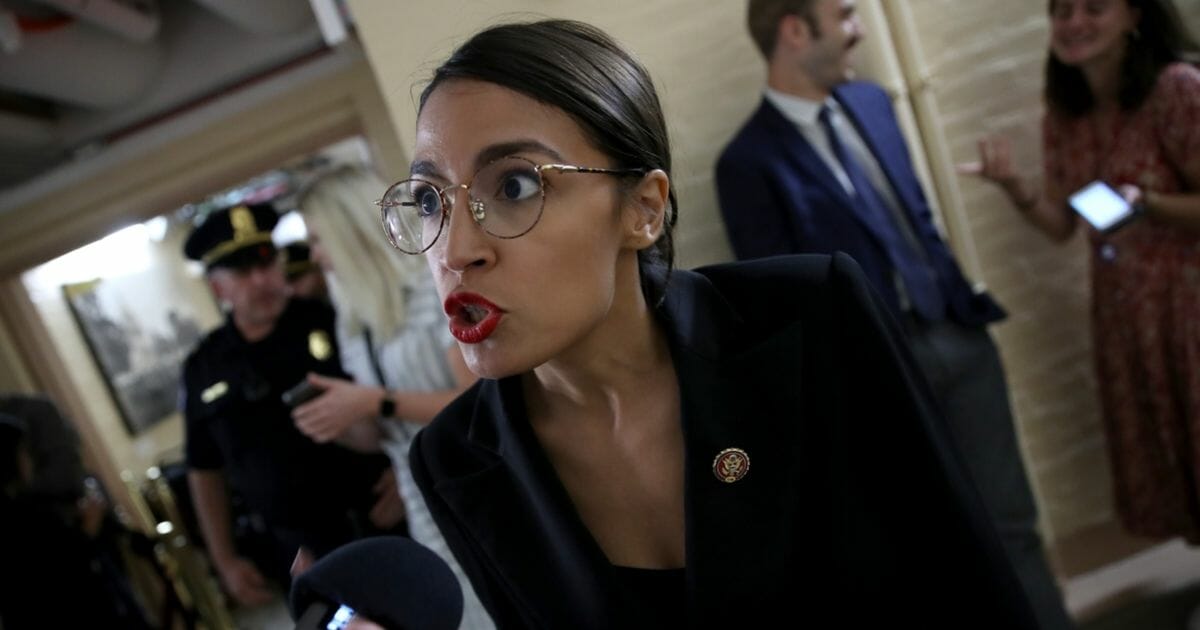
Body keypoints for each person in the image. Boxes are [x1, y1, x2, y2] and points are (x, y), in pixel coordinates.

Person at [393, 18, 1040, 629]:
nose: (453, 250)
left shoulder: (812, 316)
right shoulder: (456, 462)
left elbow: (966, 579)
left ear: (643, 209)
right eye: (429, 200)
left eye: (515, 188)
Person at [714, 2, 1073, 628]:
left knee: (1012, 522)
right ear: (797, 31)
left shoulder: (876, 105)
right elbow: (780, 302)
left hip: (958, 338)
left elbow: (918, 219)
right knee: (927, 549)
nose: (858, 28)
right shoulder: (746, 164)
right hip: (876, 378)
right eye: (846, 15)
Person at [963, 0, 1200, 543]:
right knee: (1174, 463)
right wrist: (1017, 189)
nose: (1073, 24)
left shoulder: (1177, 89)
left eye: (1093, 7)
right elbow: (1062, 226)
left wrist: (1150, 204)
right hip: (1126, 318)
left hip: (1187, 312)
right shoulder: (1067, 116)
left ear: (1134, 17)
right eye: (1062, 11)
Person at [290, 164, 492, 629]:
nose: (316, 257)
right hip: (427, 511)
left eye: (319, 240)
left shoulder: (435, 288)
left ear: (352, 232)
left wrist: (373, 400)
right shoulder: (355, 319)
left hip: (484, 491)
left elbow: (480, 404)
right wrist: (338, 417)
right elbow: (382, 433)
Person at [180, 203, 398, 607]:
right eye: (244, 272)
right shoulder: (204, 367)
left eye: (268, 263)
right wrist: (224, 558)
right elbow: (204, 470)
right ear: (217, 288)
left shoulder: (331, 321)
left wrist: (408, 476)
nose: (263, 280)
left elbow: (394, 401)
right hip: (294, 548)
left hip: (376, 518)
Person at [0, 414, 152, 629]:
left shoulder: (30, 503)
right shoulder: (18, 513)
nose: (29, 459)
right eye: (22, 452)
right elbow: (52, 572)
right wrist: (88, 529)